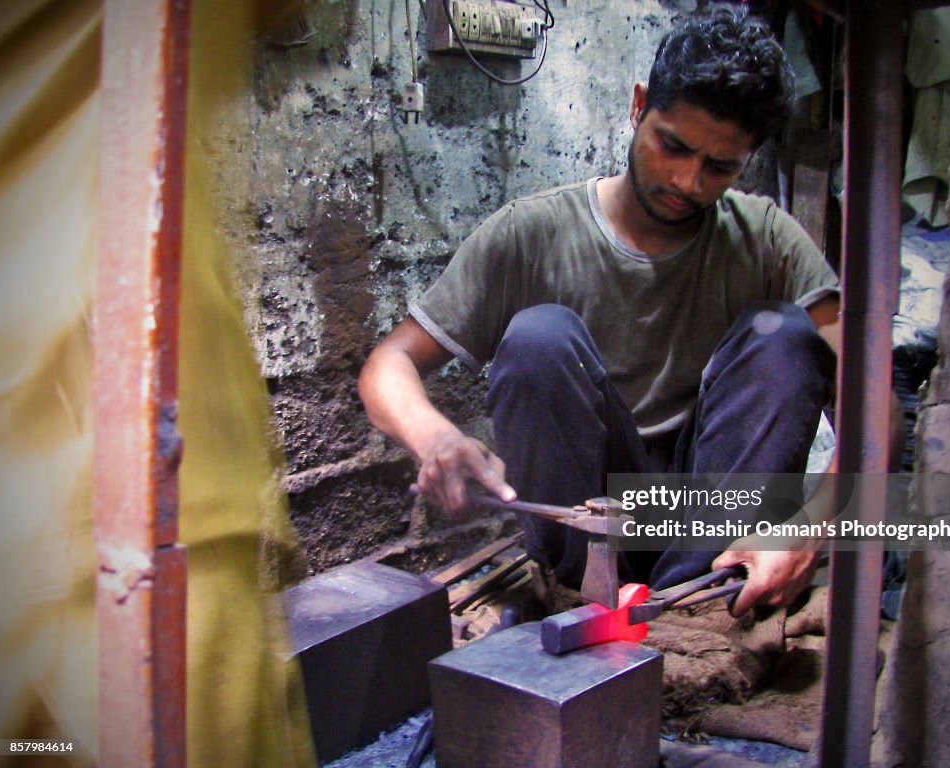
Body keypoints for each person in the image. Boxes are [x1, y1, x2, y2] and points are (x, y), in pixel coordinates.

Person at [358, 4, 843, 616]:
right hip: (581, 530)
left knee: (787, 335)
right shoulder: (529, 234)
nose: (687, 181)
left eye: (719, 167)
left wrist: (812, 524)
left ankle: (695, 615)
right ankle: (576, 599)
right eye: (673, 146)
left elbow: (877, 408)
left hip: (708, 533)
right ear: (640, 104)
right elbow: (388, 362)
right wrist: (436, 438)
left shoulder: (769, 239)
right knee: (540, 337)